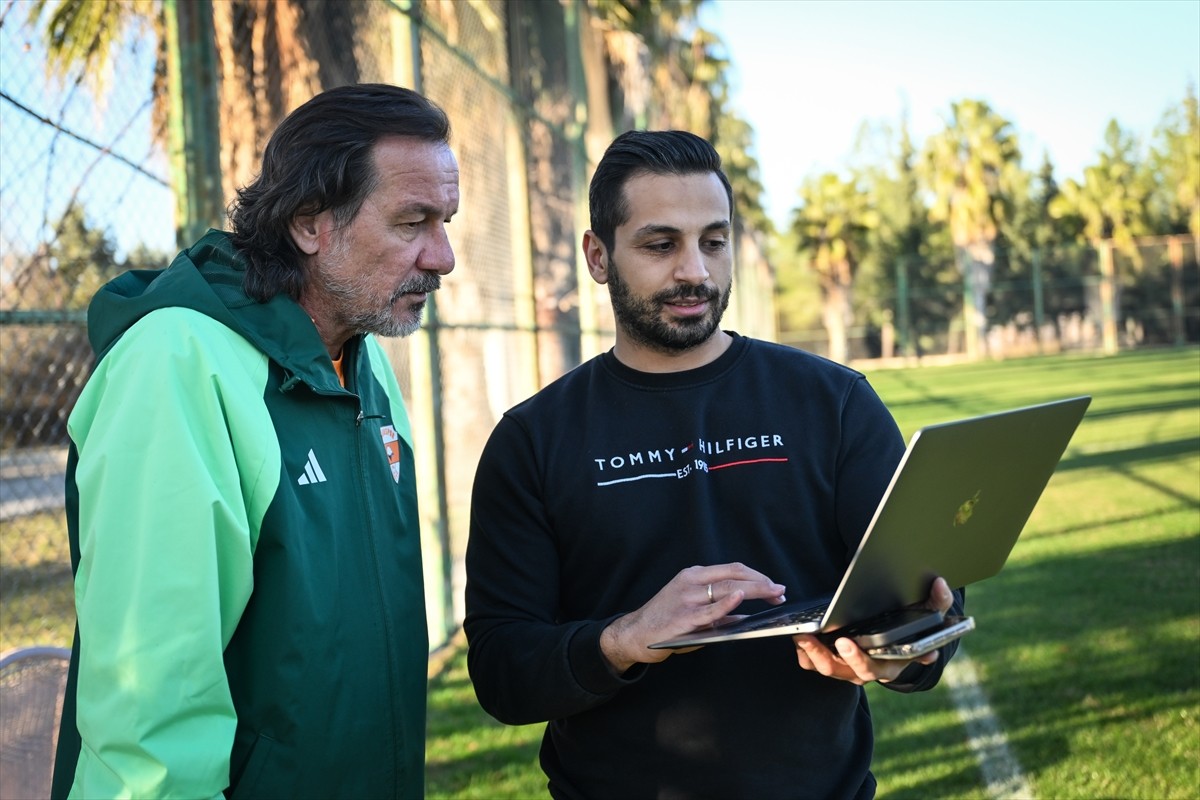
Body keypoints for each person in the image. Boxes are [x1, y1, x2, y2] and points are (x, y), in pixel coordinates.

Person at [464, 130, 965, 800]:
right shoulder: (533, 440)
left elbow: (923, 598)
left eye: (714, 241)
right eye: (660, 243)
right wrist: (628, 637)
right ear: (598, 255)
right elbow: (503, 671)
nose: (695, 270)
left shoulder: (833, 401)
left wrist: (904, 648)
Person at [51, 83, 459, 799]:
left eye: (446, 220)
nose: (444, 256)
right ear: (310, 224)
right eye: (412, 222)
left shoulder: (364, 363)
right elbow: (151, 709)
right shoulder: (175, 362)